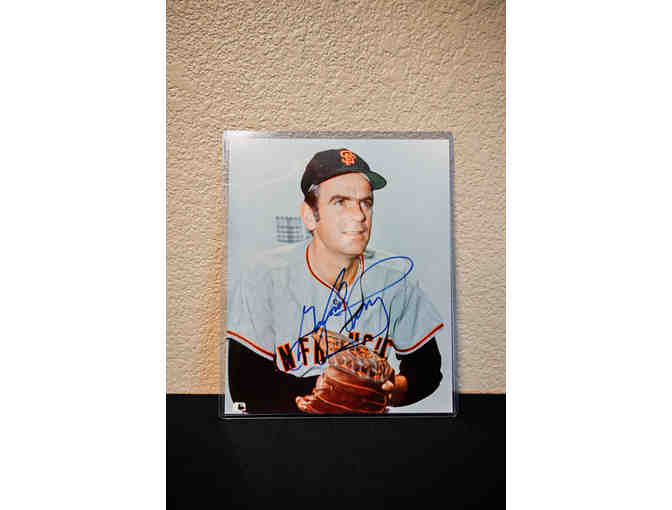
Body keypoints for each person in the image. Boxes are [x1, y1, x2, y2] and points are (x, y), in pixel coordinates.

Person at [226, 148, 445, 413]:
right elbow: (245, 386)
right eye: (340, 202)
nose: (359, 215)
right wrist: (332, 392)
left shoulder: (394, 278)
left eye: (366, 202)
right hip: (285, 429)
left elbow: (427, 371)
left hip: (366, 431)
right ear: (310, 215)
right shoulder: (264, 276)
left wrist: (389, 390)